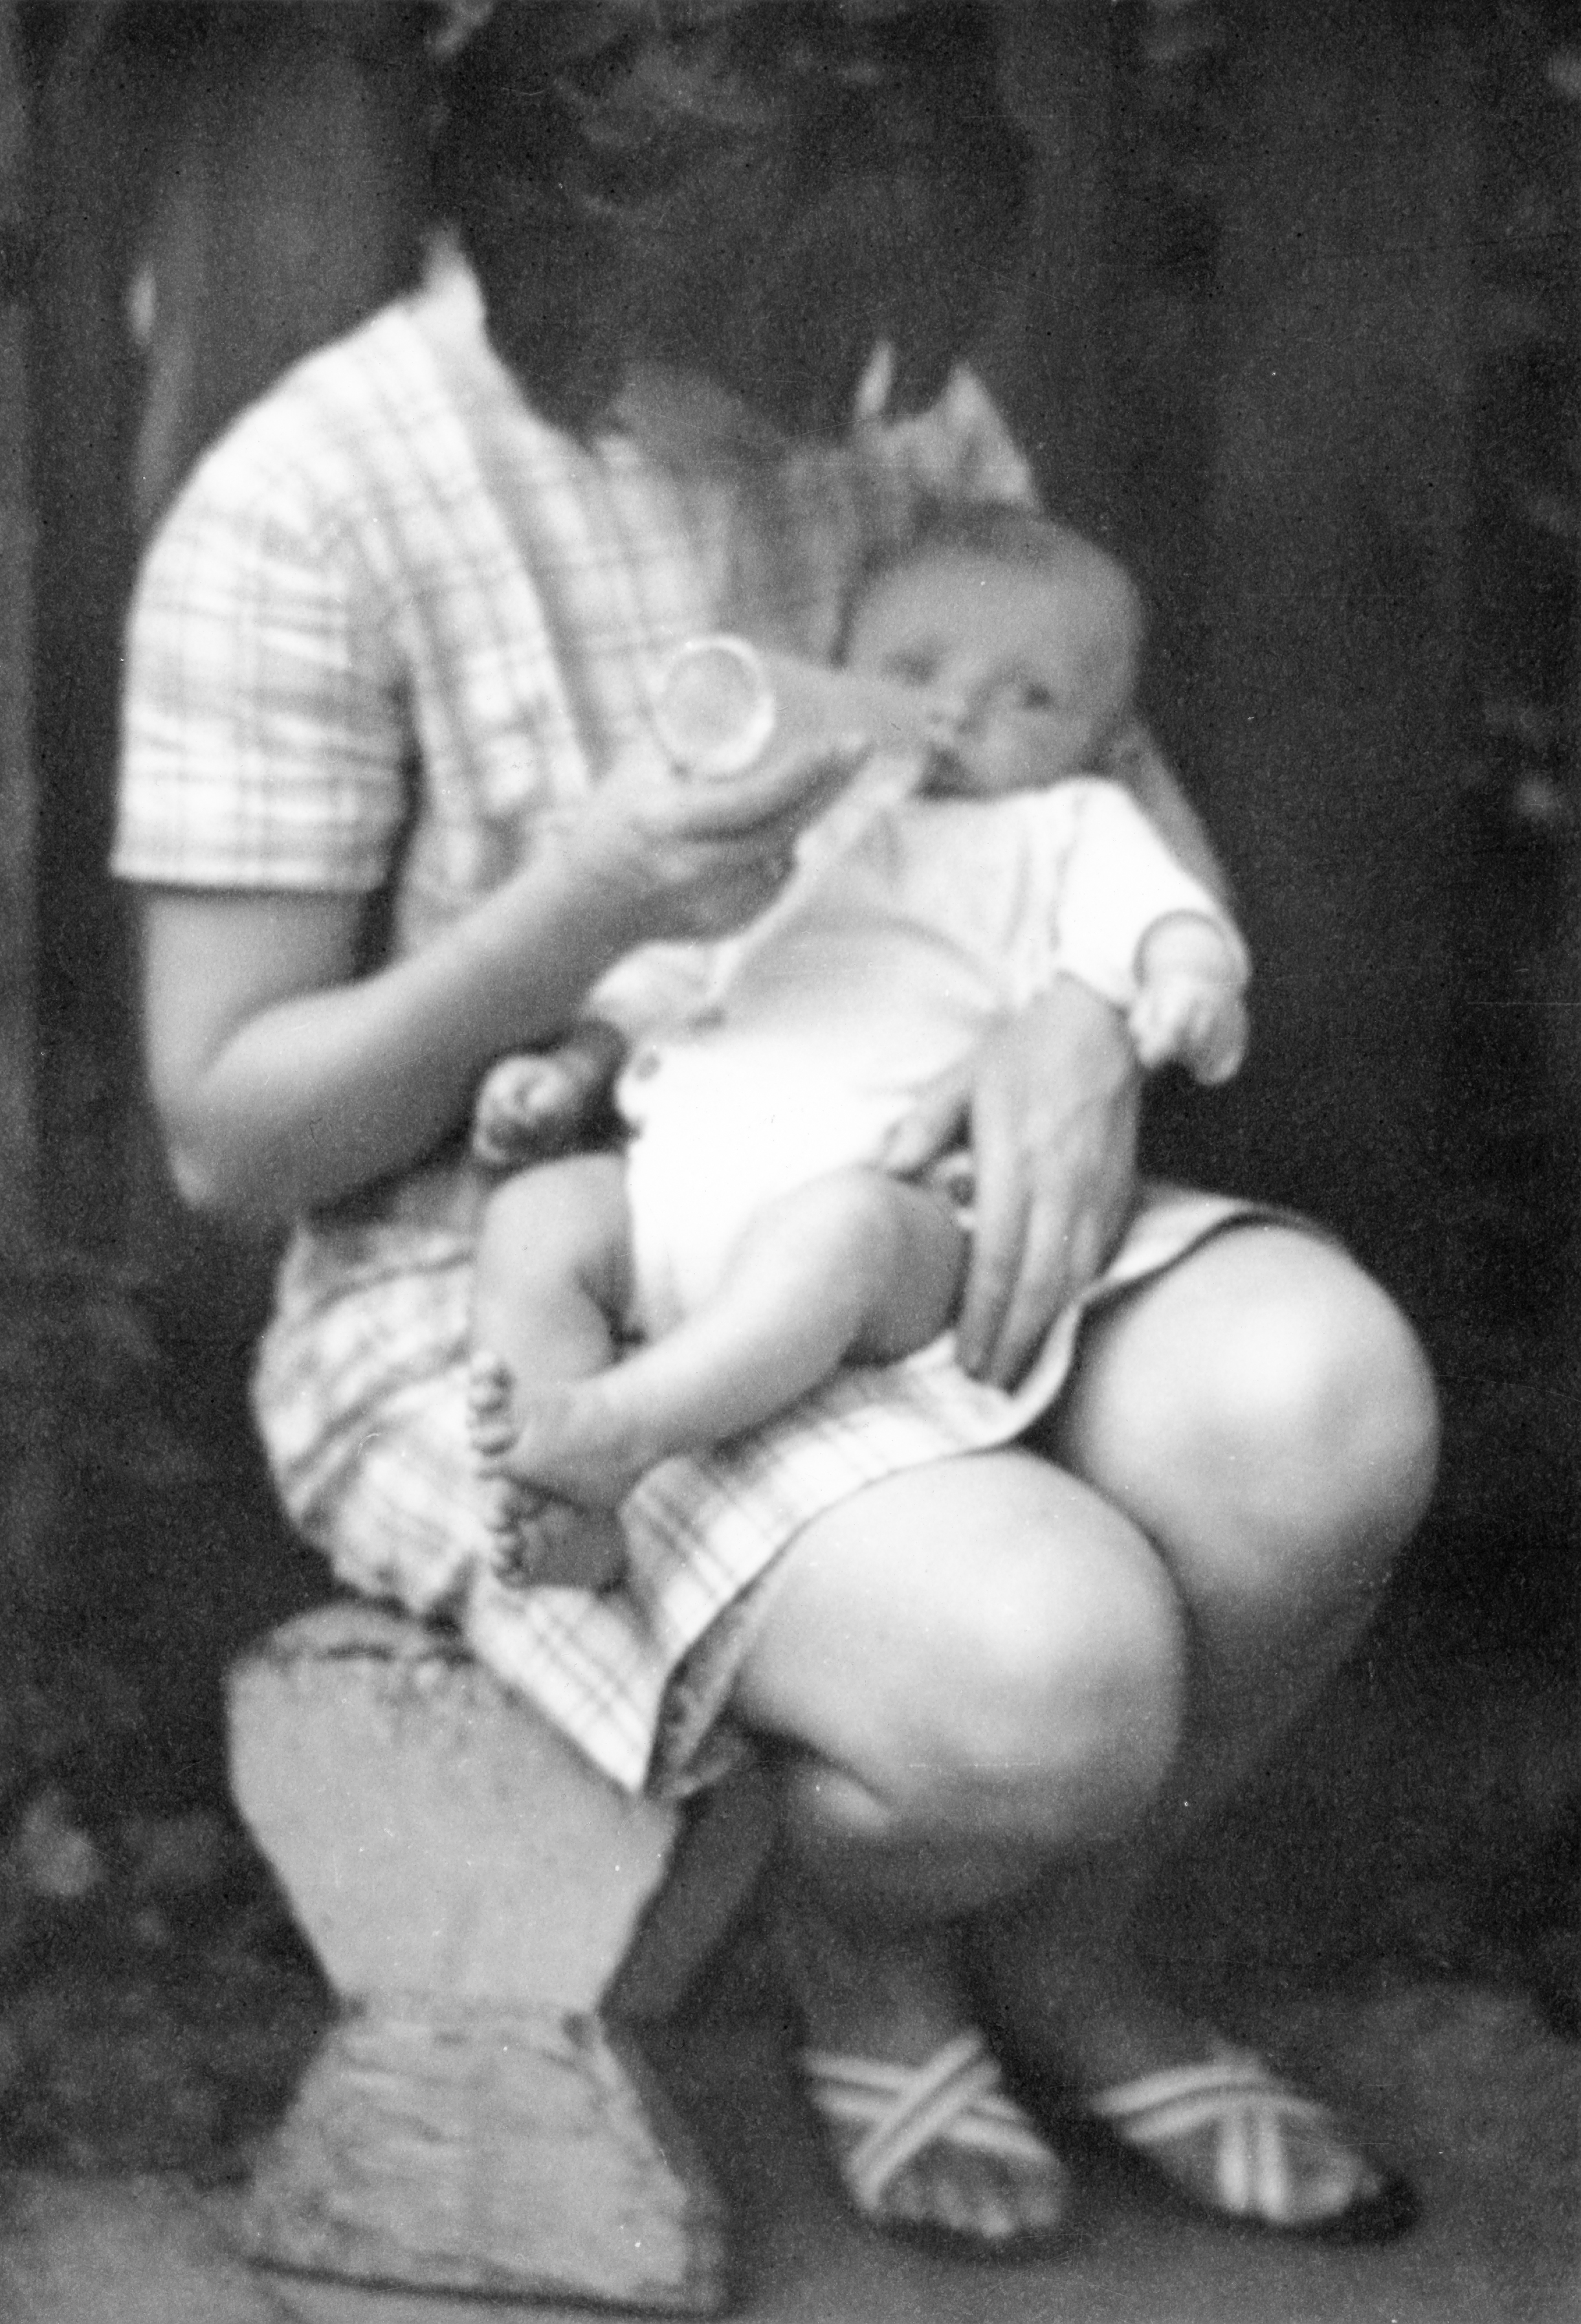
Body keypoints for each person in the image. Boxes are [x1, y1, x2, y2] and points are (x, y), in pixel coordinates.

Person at [115, 0, 1439, 2259]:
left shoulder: (879, 381)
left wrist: (1080, 1019)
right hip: (531, 1259)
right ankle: (871, 1946)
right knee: (1053, 1680)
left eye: (883, 353)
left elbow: (1103, 805)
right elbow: (232, 1142)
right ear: (569, 296)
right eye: (784, 372)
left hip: (904, 1179)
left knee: (1325, 1403)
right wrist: (588, 902)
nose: (849, 420)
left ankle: (1065, 1951)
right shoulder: (309, 507)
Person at [463, 509, 1250, 1583]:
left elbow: (1160, 911)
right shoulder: (806, 816)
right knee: (535, 1219)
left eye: (1029, 696)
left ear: (1109, 746)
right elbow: (676, 967)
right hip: (675, 1186)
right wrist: (575, 1067)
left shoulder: (1068, 824)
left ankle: (621, 1426)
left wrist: (1190, 979)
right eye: (913, 669)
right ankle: (565, 1510)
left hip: (896, 1207)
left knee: (841, 1237)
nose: (958, 710)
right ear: (843, 676)